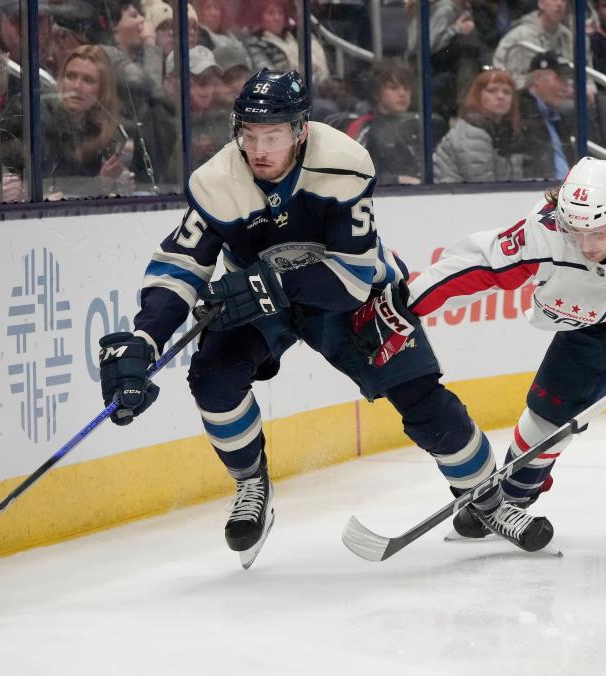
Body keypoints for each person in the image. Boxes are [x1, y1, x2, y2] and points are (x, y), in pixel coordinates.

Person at [96, 68, 555, 568]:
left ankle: (490, 502)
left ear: (301, 131)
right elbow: (180, 264)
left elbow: (354, 277)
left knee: (421, 396)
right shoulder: (216, 181)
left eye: (272, 135)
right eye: (248, 135)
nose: (258, 149)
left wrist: (271, 286)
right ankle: (253, 486)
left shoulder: (343, 164)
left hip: (343, 295)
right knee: (211, 379)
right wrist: (146, 336)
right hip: (257, 298)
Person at [354, 156, 606, 543]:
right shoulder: (545, 229)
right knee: (546, 418)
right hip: (586, 328)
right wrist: (407, 303)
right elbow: (477, 265)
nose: (585, 245)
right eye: (574, 232)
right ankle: (511, 497)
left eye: (597, 233)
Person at [43, 44, 133, 198]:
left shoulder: (103, 128)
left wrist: (117, 183)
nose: (77, 87)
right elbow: (56, 187)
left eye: (88, 80)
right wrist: (101, 183)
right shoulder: (42, 116)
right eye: (71, 76)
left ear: (102, 90)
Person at [433, 67, 524, 182]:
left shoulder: (508, 133)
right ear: (477, 96)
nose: (501, 96)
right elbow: (483, 189)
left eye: (507, 92)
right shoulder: (472, 132)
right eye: (492, 90)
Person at [345, 58, 424, 186]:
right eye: (394, 88)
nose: (403, 94)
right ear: (377, 93)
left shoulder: (420, 126)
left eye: (406, 88)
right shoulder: (364, 127)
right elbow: (350, 175)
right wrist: (396, 180)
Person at [515, 50, 576, 179]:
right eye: (559, 79)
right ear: (537, 78)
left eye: (567, 81)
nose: (567, 88)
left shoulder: (558, 116)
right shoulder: (517, 111)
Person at [241, 0, 330, 85]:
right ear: (260, 17)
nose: (277, 18)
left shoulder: (295, 36)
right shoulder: (255, 43)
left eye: (280, 13)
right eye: (270, 13)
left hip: (316, 87)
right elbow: (269, 77)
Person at [492, 0, 573, 88]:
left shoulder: (569, 38)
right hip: (525, 97)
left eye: (563, 0)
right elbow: (511, 79)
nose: (559, 4)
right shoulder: (519, 37)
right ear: (541, 4)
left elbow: (586, 74)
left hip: (566, 95)